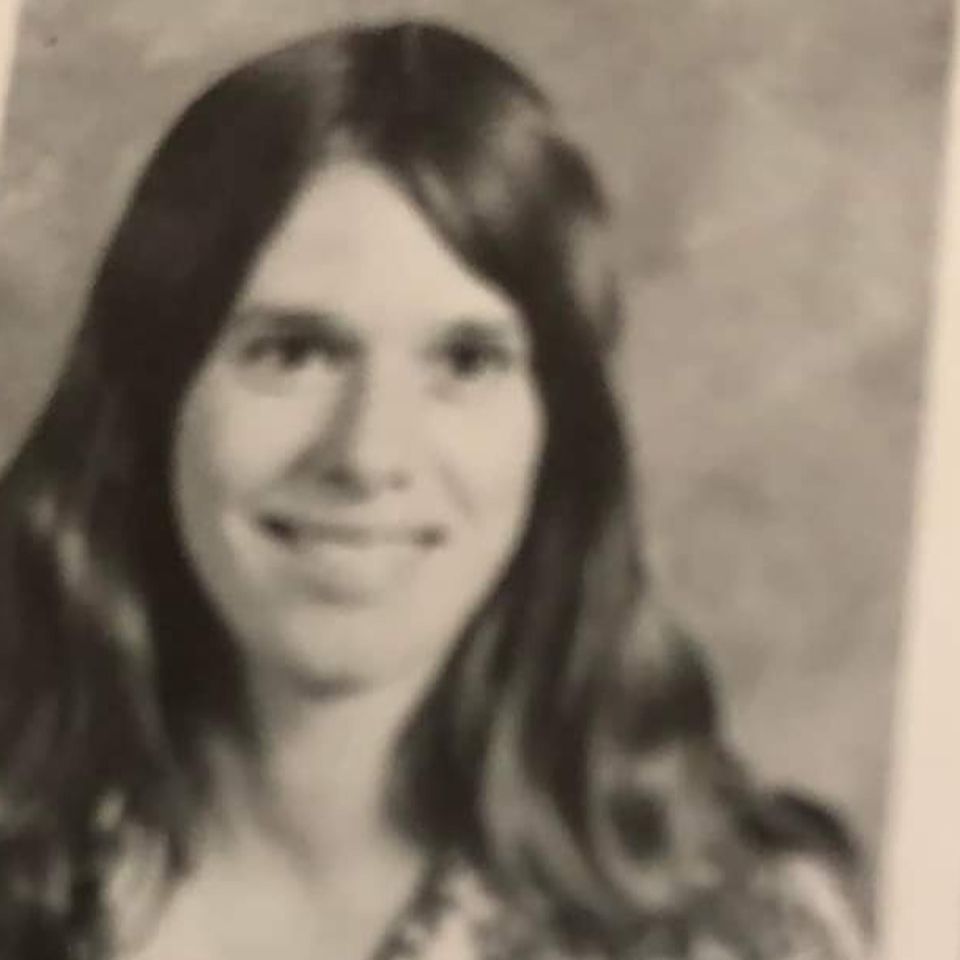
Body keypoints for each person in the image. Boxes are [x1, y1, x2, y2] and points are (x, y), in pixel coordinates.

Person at [0, 19, 868, 960]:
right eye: (292, 352)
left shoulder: (737, 929)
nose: (369, 454)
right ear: (152, 401)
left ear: (556, 435)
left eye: (465, 361)